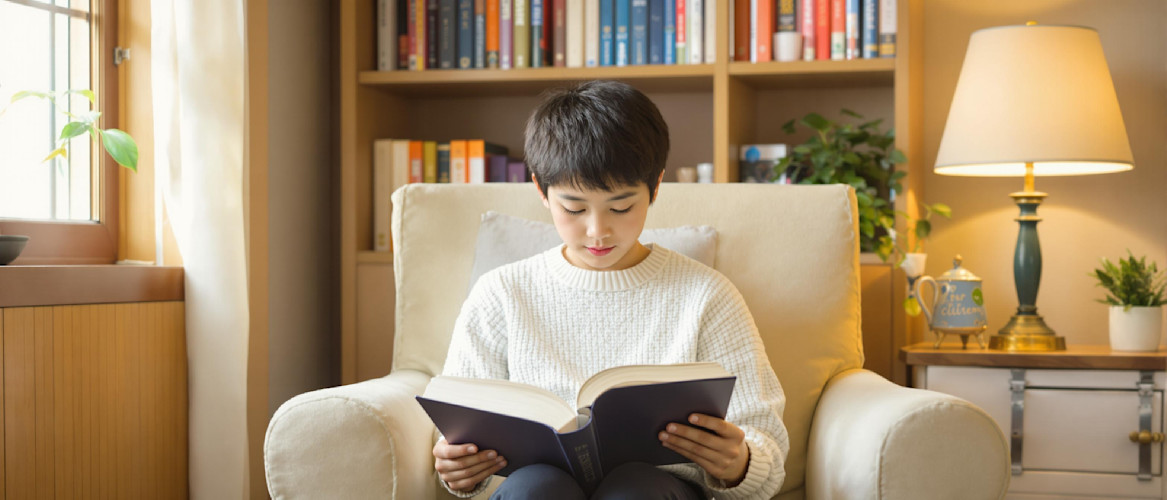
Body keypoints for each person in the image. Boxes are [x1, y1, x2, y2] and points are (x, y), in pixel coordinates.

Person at [432, 80, 789, 499]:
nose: (598, 231)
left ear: (655, 187)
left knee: (635, 490)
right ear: (540, 191)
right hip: (534, 490)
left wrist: (739, 463)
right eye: (574, 208)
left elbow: (765, 448)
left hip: (656, 492)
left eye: (621, 207)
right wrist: (459, 471)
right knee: (535, 489)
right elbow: (457, 436)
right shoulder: (501, 294)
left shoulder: (707, 295)